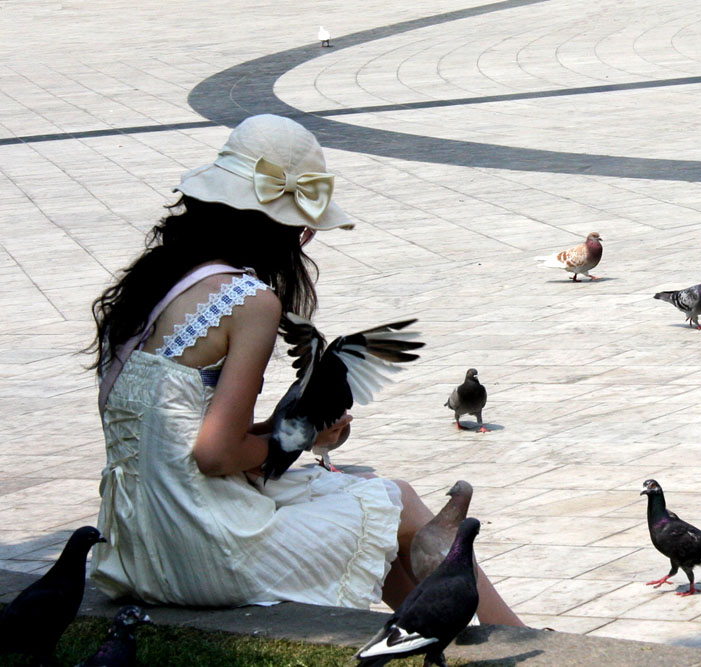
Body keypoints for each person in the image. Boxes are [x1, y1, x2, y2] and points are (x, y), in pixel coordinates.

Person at [87, 114, 522, 623]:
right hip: (197, 547)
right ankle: (523, 642)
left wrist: (276, 430)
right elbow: (215, 454)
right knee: (395, 503)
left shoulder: (152, 286)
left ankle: (436, 639)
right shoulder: (249, 301)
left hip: (134, 544)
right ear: (282, 225)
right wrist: (291, 438)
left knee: (372, 521)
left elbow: (174, 434)